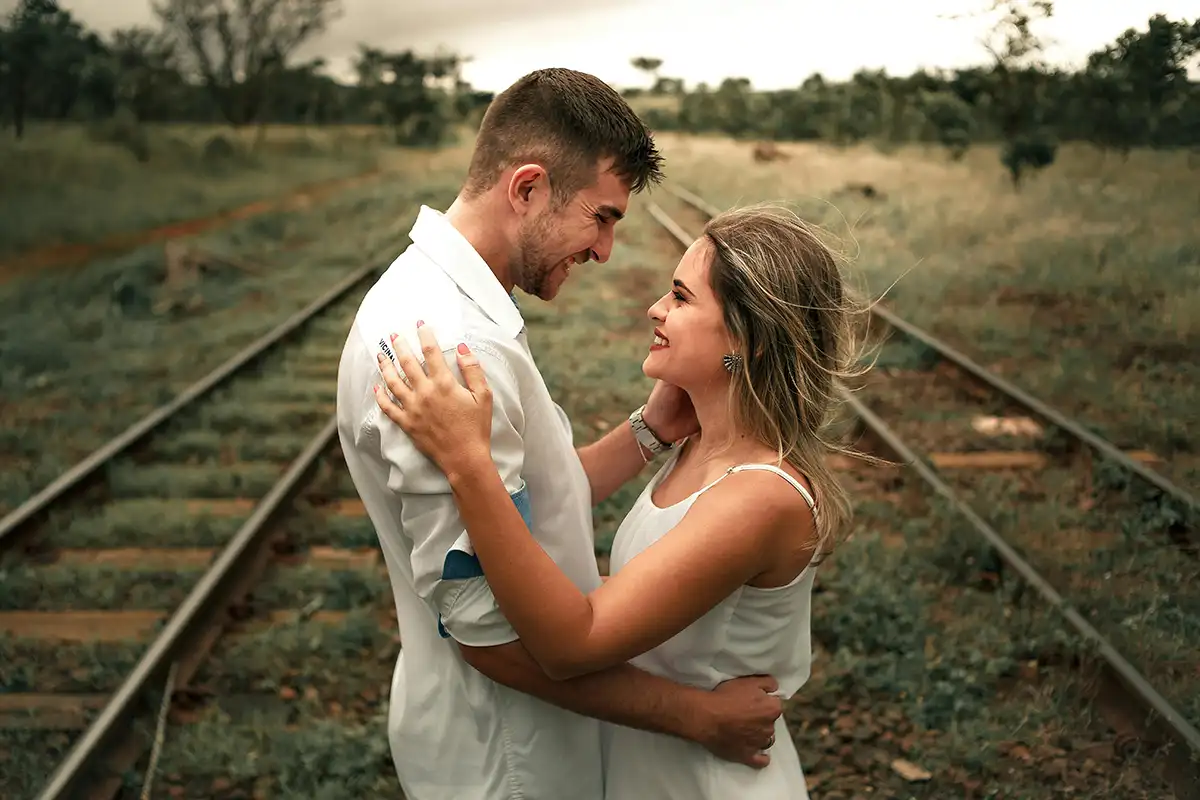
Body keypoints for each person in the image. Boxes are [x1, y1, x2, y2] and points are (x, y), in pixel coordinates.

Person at [335, 68, 785, 800]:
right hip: (509, 757)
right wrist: (695, 718)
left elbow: (521, 510)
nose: (605, 249)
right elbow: (489, 635)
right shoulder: (447, 349)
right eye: (601, 217)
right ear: (527, 188)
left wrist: (647, 431)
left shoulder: (442, 304)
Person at [371, 201, 870, 799]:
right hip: (657, 768)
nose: (656, 309)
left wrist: (468, 462)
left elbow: (570, 645)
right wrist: (649, 431)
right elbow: (632, 584)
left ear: (748, 338)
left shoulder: (759, 496)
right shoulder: (700, 451)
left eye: (682, 298)